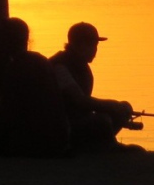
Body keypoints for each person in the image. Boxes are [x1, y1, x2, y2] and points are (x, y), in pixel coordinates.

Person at [50, 21, 137, 150]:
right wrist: (110, 105)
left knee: (124, 108)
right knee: (102, 120)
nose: (95, 50)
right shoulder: (60, 66)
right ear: (81, 45)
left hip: (77, 117)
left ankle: (98, 143)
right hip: (62, 123)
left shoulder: (79, 64)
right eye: (93, 45)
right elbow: (78, 100)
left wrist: (116, 107)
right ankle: (104, 146)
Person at [0, 17, 71, 157]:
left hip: (31, 142)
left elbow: (8, 109)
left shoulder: (14, 67)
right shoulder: (40, 60)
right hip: (57, 139)